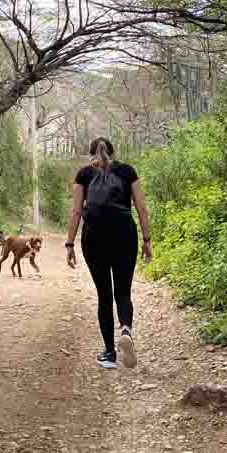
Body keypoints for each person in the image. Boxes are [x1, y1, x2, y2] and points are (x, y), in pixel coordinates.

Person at [65, 137, 152, 369]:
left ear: (90, 153)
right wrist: (146, 240)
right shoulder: (127, 171)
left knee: (104, 295)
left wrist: (70, 244)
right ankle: (125, 329)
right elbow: (141, 207)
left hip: (94, 236)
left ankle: (110, 354)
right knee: (123, 292)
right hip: (124, 233)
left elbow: (76, 212)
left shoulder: (83, 174)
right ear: (113, 153)